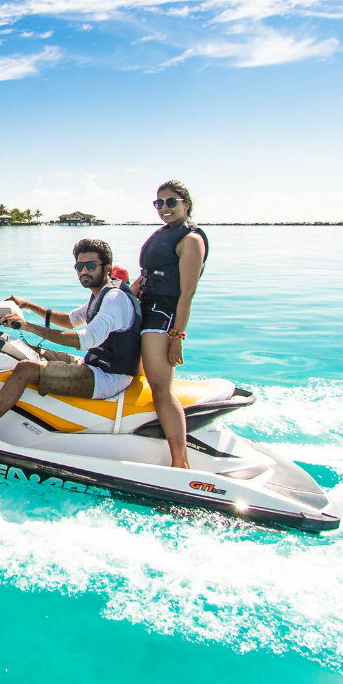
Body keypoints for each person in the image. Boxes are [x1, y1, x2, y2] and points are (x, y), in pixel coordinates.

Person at [0, 238, 140, 434]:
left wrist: (29, 327)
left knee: (25, 369)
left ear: (108, 268)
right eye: (79, 266)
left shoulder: (114, 299)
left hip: (109, 378)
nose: (84, 271)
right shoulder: (101, 293)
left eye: (91, 266)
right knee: (24, 350)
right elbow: (71, 320)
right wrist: (28, 305)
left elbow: (84, 340)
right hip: (94, 365)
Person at [132, 179, 208, 468]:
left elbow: (187, 292)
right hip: (144, 310)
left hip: (162, 319)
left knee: (161, 388)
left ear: (186, 204)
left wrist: (178, 335)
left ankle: (180, 462)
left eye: (171, 201)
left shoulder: (191, 240)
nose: (164, 207)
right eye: (159, 203)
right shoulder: (162, 234)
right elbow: (145, 276)